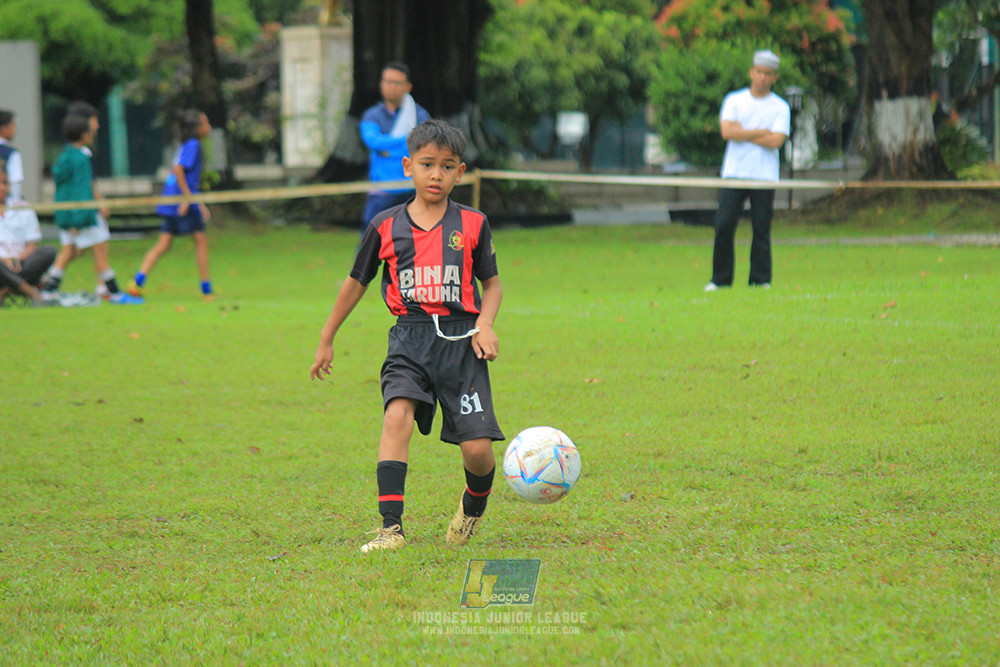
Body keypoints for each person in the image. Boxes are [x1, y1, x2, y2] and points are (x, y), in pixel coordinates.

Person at [310, 120, 504, 553]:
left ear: (461, 172)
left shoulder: (473, 223)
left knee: (477, 451)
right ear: (407, 167)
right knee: (395, 417)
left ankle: (472, 508)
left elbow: (492, 285)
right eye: (427, 164)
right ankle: (390, 528)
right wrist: (327, 336)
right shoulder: (384, 225)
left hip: (461, 341)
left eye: (447, 166)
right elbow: (355, 282)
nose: (436, 174)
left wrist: (485, 324)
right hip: (410, 339)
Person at [705, 49, 790, 292]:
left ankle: (760, 279)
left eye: (768, 74)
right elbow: (727, 132)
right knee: (724, 225)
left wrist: (744, 133)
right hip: (735, 173)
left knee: (761, 228)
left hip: (764, 175)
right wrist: (760, 132)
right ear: (751, 72)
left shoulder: (780, 107)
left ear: (774, 77)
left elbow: (776, 141)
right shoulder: (735, 100)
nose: (762, 77)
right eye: (759, 72)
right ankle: (720, 279)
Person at [41, 113, 142, 304]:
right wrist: (80, 218)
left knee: (67, 252)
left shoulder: (63, 157)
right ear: (85, 134)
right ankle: (114, 292)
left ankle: (48, 290)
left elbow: (63, 190)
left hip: (65, 214)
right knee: (100, 253)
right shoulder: (81, 159)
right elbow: (82, 189)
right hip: (83, 216)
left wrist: (67, 216)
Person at [128, 109, 213, 299]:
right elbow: (179, 171)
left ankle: (137, 282)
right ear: (198, 128)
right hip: (180, 200)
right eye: (206, 123)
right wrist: (188, 199)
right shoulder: (193, 145)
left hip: (171, 197)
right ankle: (206, 289)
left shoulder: (185, 145)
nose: (209, 127)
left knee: (163, 244)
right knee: (200, 241)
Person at [359, 62, 430, 228]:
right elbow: (372, 141)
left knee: (414, 240)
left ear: (408, 87)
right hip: (382, 190)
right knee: (372, 242)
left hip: (412, 189)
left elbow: (424, 144)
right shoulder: (372, 115)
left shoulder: (419, 114)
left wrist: (387, 149)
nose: (391, 86)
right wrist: (408, 140)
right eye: (387, 81)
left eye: (396, 83)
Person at [0, 169, 52, 307]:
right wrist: (5, 260)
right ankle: (31, 292)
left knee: (49, 251)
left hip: (20, 263)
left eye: (4, 183)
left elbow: (31, 245)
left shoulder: (23, 207)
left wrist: (16, 259)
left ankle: (5, 291)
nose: (2, 187)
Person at [0, 109, 25, 201]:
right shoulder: (11, 153)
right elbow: (15, 182)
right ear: (4, 129)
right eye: (13, 125)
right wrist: (16, 202)